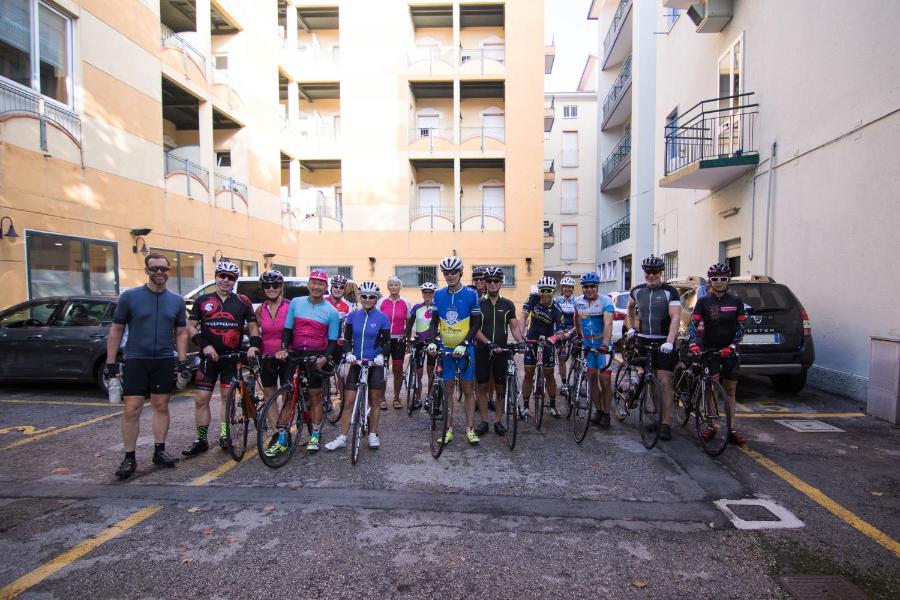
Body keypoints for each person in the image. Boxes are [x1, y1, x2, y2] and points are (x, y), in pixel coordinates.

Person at [106, 253, 189, 478]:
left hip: (163, 359)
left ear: (169, 271)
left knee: (161, 405)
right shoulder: (130, 297)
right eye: (154, 269)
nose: (159, 272)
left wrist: (182, 362)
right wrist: (110, 363)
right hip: (136, 359)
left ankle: (159, 451)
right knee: (132, 407)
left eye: (163, 269)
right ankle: (129, 457)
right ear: (147, 271)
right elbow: (116, 329)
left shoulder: (177, 300)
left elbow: (181, 333)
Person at [183, 261, 260, 456]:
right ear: (216, 276)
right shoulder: (203, 300)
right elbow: (190, 327)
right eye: (222, 276)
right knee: (201, 399)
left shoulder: (243, 301)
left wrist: (254, 345)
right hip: (208, 357)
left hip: (230, 358)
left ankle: (225, 435)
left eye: (230, 277)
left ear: (235, 281)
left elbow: (252, 326)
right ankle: (201, 439)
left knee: (227, 399)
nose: (226, 280)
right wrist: (204, 345)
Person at [267, 269, 341, 455]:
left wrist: (324, 358)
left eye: (320, 284)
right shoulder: (296, 303)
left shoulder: (332, 312)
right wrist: (284, 348)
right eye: (313, 283)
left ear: (326, 287)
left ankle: (315, 434)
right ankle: (283, 438)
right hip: (296, 355)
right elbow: (287, 330)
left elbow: (333, 342)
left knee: (315, 396)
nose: (316, 287)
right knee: (288, 396)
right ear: (308, 284)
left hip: (316, 357)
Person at [325, 282, 392, 451]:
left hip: (374, 364)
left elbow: (387, 342)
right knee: (348, 402)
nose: (368, 299)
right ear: (360, 297)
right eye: (364, 296)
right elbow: (347, 339)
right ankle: (342, 437)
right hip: (356, 363)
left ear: (376, 298)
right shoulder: (353, 316)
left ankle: (372, 434)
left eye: (372, 297)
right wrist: (348, 353)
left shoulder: (382, 318)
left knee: (375, 401)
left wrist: (381, 356)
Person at [688, 263, 747, 445]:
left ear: (728, 280)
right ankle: (711, 426)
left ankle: (732, 429)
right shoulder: (703, 301)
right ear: (710, 280)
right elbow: (693, 324)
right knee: (712, 389)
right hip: (710, 350)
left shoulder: (735, 301)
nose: (719, 282)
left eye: (723, 278)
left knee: (730, 390)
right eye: (715, 279)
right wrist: (693, 343)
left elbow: (741, 327)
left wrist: (733, 346)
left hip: (730, 350)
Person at [427, 256, 483, 445]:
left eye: (453, 272)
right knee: (448, 390)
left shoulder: (471, 294)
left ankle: (470, 429)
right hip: (446, 348)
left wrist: (465, 343)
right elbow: (434, 322)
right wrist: (432, 341)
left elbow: (476, 323)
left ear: (461, 273)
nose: (450, 276)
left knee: (468, 389)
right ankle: (448, 429)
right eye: (446, 273)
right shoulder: (438, 295)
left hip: (465, 349)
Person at [625, 255, 682, 441]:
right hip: (643, 341)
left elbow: (675, 318)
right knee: (650, 380)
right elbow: (630, 308)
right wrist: (631, 327)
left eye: (655, 271)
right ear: (644, 272)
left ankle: (666, 424)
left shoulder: (670, 292)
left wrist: (670, 341)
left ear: (660, 272)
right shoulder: (637, 291)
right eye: (648, 271)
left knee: (664, 382)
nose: (651, 275)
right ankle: (658, 417)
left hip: (663, 342)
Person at [474, 267, 524, 435]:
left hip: (501, 351)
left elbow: (514, 327)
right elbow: (475, 329)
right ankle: (484, 420)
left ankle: (498, 421)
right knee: (481, 387)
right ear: (485, 283)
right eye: (489, 281)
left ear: (501, 283)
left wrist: (521, 341)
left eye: (496, 281)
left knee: (500, 387)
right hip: (483, 350)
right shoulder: (479, 304)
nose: (492, 283)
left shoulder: (508, 304)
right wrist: (488, 343)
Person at [519, 276, 567, 419]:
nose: (545, 293)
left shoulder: (557, 308)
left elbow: (560, 333)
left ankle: (552, 405)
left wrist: (553, 339)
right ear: (539, 291)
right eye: (542, 290)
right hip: (532, 339)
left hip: (548, 341)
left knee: (549, 374)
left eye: (549, 291)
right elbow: (523, 316)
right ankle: (525, 406)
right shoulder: (533, 298)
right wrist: (521, 336)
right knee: (528, 373)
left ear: (553, 292)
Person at [572, 272, 615, 428]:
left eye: (592, 286)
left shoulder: (606, 301)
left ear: (597, 287)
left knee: (605, 380)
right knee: (591, 379)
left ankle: (607, 414)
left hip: (603, 347)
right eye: (586, 287)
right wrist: (578, 335)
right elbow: (576, 318)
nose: (589, 289)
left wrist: (605, 344)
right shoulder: (578, 302)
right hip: (588, 346)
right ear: (582, 287)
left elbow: (608, 323)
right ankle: (599, 411)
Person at [255, 271, 292, 430]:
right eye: (267, 285)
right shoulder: (260, 309)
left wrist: (287, 349)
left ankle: (283, 430)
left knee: (287, 395)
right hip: (267, 356)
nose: (271, 288)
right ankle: (277, 431)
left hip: (287, 356)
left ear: (281, 286)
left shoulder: (290, 306)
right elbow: (256, 331)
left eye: (275, 285)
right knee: (269, 395)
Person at [376, 276, 412, 410]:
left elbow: (408, 323)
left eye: (396, 285)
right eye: (391, 285)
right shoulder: (381, 302)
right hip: (383, 339)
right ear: (388, 287)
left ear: (400, 287)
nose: (393, 287)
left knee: (397, 369)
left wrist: (408, 341)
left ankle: (396, 397)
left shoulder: (406, 302)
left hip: (399, 340)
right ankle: (382, 398)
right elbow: (376, 319)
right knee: (382, 368)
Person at [404, 281, 438, 410]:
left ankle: (429, 398)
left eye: (430, 292)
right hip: (419, 342)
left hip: (432, 342)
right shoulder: (417, 307)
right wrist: (405, 334)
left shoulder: (437, 307)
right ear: (422, 293)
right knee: (418, 373)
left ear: (433, 294)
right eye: (425, 292)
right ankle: (418, 398)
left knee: (431, 372)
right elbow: (410, 323)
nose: (427, 294)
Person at [554, 276, 578, 395]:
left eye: (569, 287)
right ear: (562, 288)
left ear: (573, 289)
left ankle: (576, 383)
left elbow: (579, 321)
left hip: (574, 332)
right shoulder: (557, 300)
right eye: (565, 287)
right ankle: (564, 383)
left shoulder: (578, 301)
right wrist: (559, 332)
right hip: (560, 333)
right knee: (561, 358)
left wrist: (570, 332)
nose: (567, 289)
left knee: (576, 358)